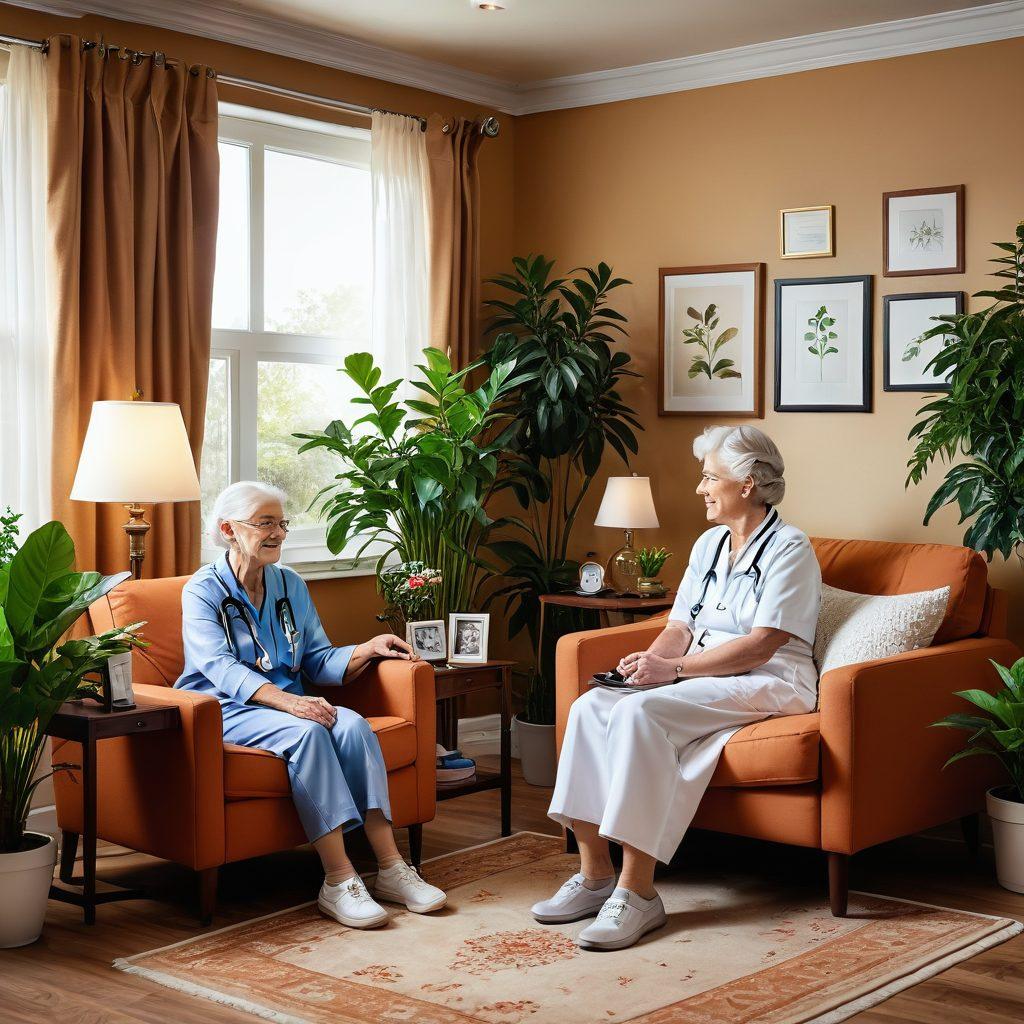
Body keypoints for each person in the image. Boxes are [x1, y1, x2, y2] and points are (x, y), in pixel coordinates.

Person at [535, 425, 821, 951]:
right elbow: (680, 627)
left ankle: (638, 893)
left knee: (639, 714)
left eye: (710, 477)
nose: (700, 488)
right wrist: (651, 663)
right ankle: (595, 876)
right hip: (703, 672)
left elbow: (762, 645)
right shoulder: (709, 544)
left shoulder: (790, 548)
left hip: (771, 680)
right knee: (592, 706)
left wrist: (675, 672)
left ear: (748, 483)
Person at [176, 481, 447, 929]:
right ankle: (339, 880)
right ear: (228, 529)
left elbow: (316, 657)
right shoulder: (202, 590)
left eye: (282, 523)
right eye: (265, 523)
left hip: (287, 703)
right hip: (225, 708)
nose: (278, 533)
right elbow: (218, 667)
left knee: (353, 725)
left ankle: (391, 868)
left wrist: (366, 649)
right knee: (310, 732)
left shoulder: (290, 583)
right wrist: (289, 702)